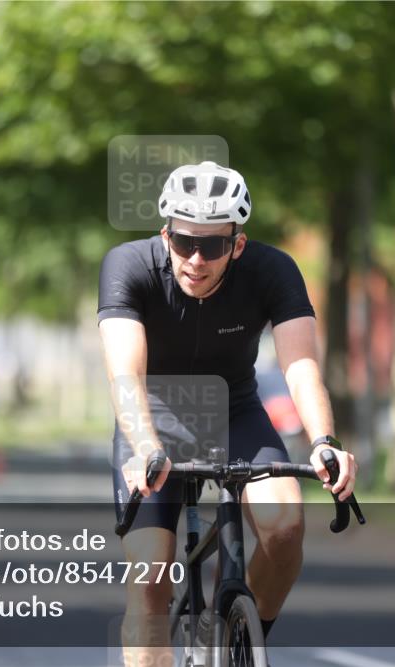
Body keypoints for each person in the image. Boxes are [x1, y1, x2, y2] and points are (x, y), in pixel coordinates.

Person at [98, 161, 356, 665]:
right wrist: (147, 447)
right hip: (154, 418)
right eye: (183, 242)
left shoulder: (272, 270)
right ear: (164, 234)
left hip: (234, 411)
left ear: (237, 244)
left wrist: (325, 440)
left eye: (213, 246)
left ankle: (236, 640)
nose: (196, 259)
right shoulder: (127, 266)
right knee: (150, 577)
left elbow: (302, 369)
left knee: (284, 527)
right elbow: (125, 375)